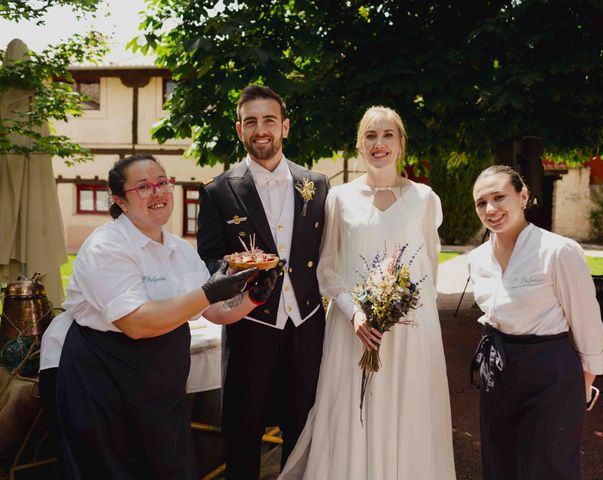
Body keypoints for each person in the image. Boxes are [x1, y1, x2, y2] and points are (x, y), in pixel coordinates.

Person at [39, 154, 278, 479]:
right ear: (120, 202)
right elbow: (136, 323)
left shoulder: (180, 250)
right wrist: (210, 291)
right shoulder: (106, 247)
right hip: (99, 376)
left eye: (163, 182)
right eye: (143, 187)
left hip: (158, 382)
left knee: (168, 467)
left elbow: (214, 312)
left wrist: (252, 296)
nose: (158, 192)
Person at [279, 106, 456, 479]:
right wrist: (354, 312)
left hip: (410, 333)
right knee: (351, 412)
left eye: (388, 135)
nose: (380, 143)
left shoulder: (425, 198)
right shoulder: (339, 198)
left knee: (407, 410)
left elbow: (429, 269)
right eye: (371, 136)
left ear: (401, 143)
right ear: (360, 144)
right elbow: (327, 267)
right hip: (352, 327)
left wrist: (402, 310)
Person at [197, 85, 330, 479]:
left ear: (285, 127)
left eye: (269, 120)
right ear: (239, 130)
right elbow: (209, 258)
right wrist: (238, 275)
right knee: (243, 431)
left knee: (303, 428)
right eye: (251, 121)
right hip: (250, 325)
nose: (261, 129)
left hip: (306, 324)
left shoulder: (318, 184)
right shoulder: (217, 190)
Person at [468, 165, 603, 480]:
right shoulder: (477, 260)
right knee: (500, 463)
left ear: (523, 196)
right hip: (497, 371)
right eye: (481, 202)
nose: (490, 209)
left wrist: (582, 385)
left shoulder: (558, 251)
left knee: (548, 468)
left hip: (550, 372)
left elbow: (587, 323)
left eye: (499, 197)